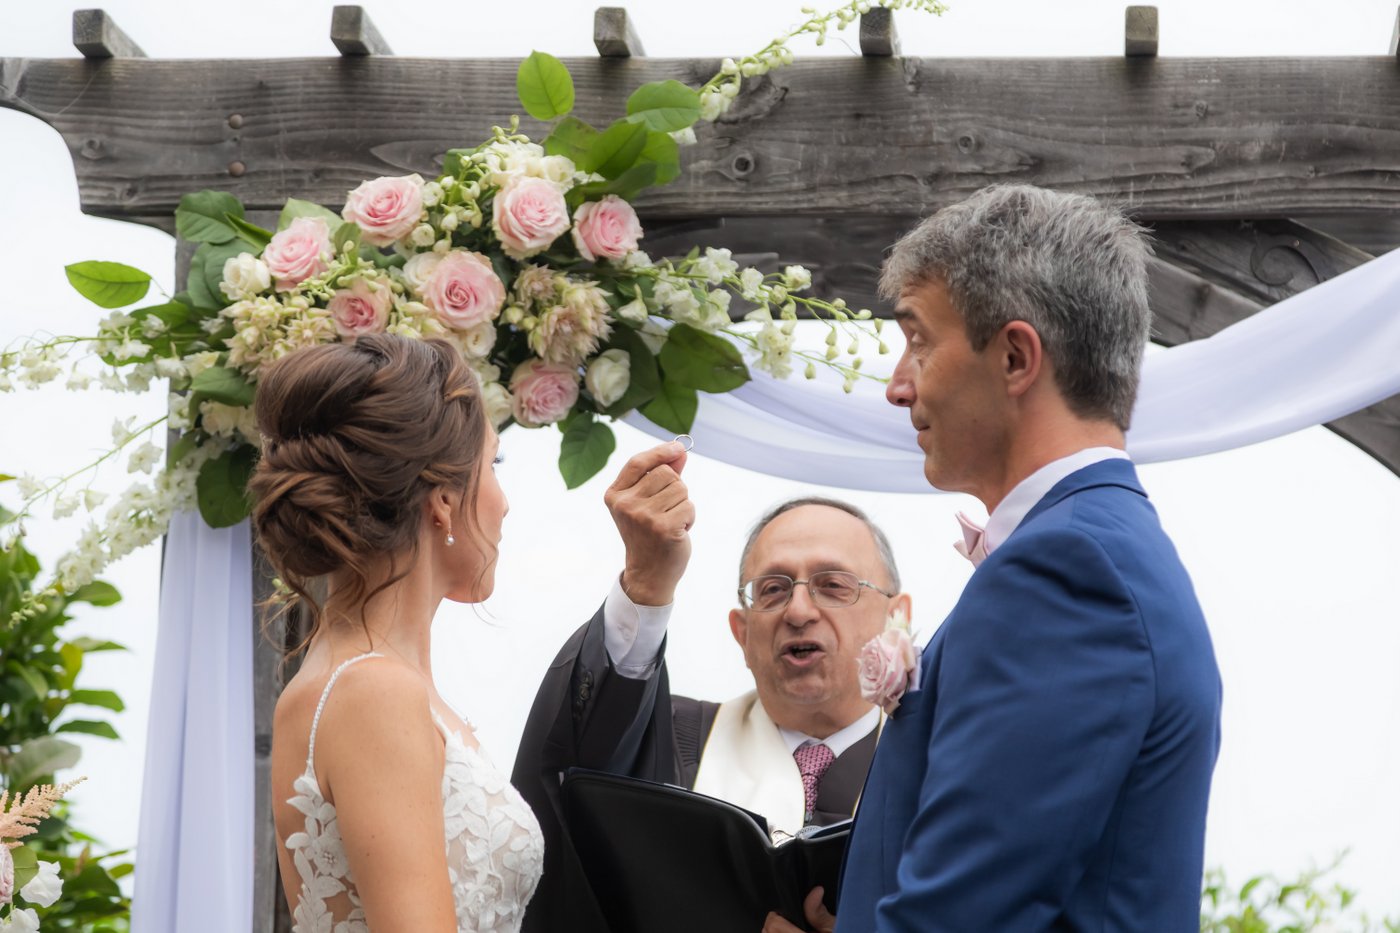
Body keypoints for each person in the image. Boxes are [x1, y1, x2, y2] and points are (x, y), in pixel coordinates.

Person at [773, 184, 1222, 933]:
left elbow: (955, 918)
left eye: (919, 340)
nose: (896, 385)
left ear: (1015, 356)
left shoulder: (1070, 572)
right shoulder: (1097, 548)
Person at [512, 444, 910, 933]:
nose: (799, 611)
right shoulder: (671, 742)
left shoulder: (937, 765)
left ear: (898, 617)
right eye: (773, 589)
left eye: (833, 584)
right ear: (741, 633)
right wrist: (646, 580)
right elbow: (572, 777)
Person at [255, 335, 543, 932]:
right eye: (494, 464)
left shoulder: (358, 683)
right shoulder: (373, 693)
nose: (506, 503)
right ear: (442, 499)